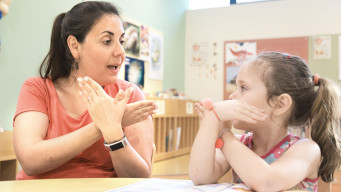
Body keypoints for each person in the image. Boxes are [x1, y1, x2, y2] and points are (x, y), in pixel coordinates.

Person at [13, 1, 158, 180]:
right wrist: (106, 125)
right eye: (107, 41)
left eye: (121, 41)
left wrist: (114, 135)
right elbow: (30, 161)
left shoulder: (130, 94)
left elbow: (139, 177)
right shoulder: (37, 89)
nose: (121, 52)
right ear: (74, 46)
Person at [189, 52, 341, 191]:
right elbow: (200, 177)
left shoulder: (307, 150)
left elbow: (267, 183)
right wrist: (211, 121)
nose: (232, 96)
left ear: (280, 104)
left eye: (243, 88)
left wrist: (224, 133)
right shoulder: (239, 144)